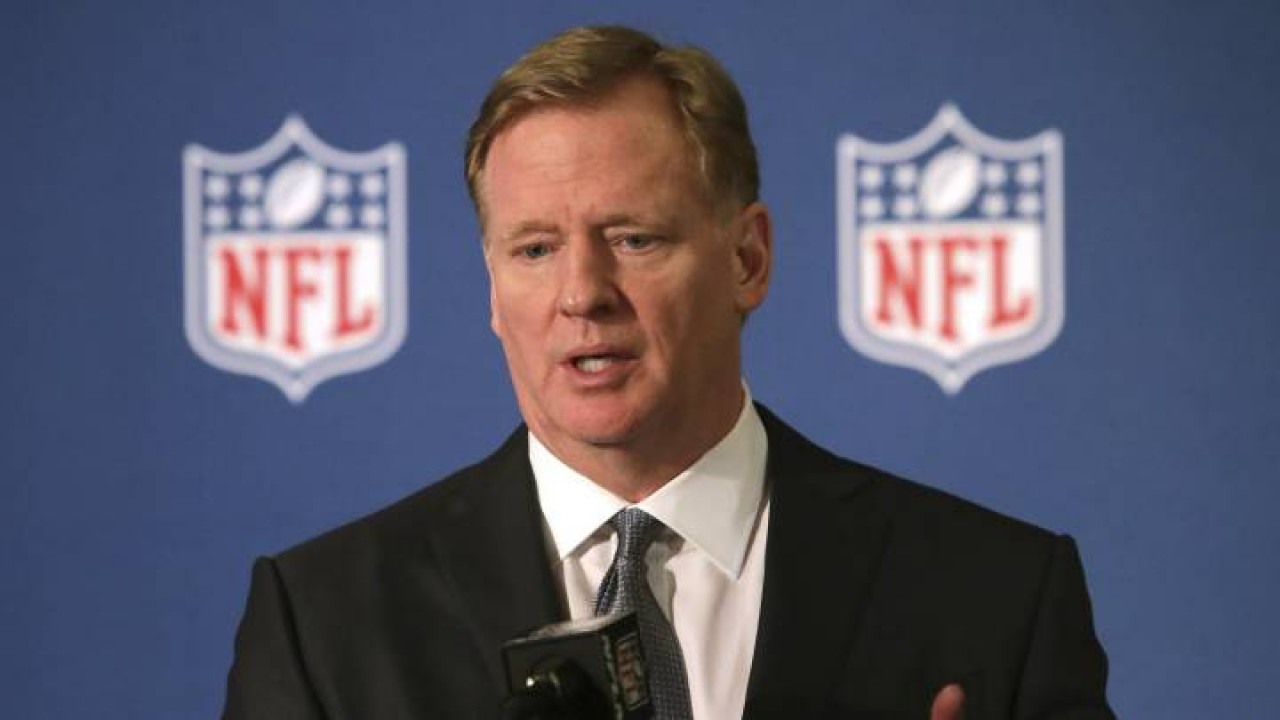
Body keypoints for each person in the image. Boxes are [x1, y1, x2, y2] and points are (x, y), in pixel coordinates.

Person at [223, 26, 1114, 720]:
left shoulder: (993, 596)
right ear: (493, 289)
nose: (583, 293)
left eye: (633, 239)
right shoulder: (324, 621)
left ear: (747, 259)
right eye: (534, 249)